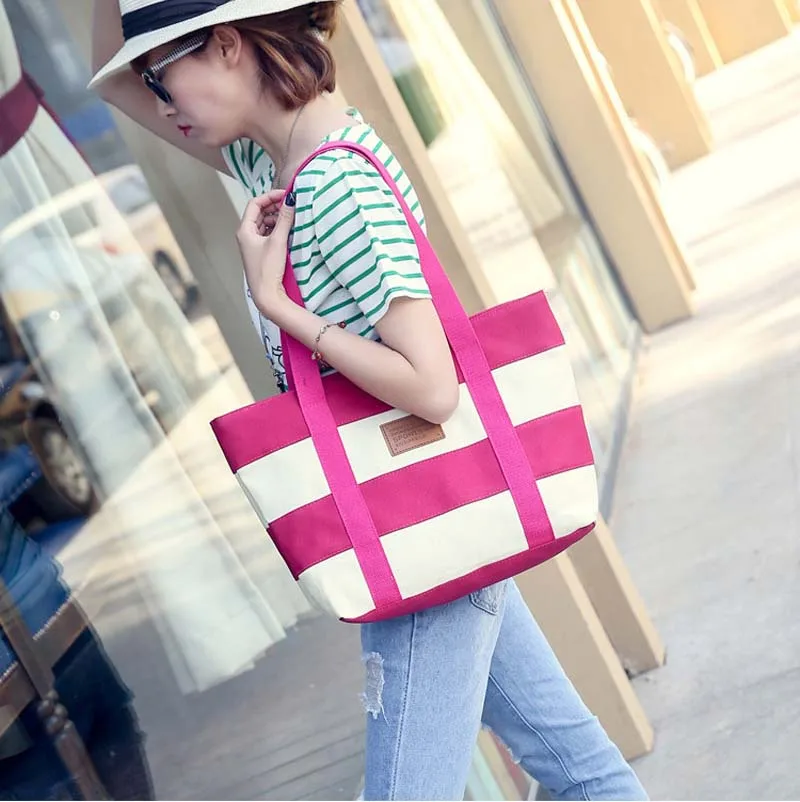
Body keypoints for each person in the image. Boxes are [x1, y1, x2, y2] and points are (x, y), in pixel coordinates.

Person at [90, 2, 649, 799]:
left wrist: (280, 308)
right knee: (577, 768)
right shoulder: (280, 163)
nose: (159, 99)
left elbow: (431, 385)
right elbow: (113, 81)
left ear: (227, 44)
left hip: (412, 521)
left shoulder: (332, 186)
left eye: (162, 75)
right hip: (425, 518)